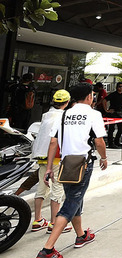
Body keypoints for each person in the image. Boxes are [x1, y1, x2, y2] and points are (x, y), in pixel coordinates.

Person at [34, 83, 108, 258]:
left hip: (66, 163)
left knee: (76, 198)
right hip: (83, 163)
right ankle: (47, 250)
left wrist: (50, 167)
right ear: (90, 97)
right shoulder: (93, 114)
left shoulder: (64, 114)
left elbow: (53, 142)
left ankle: (81, 235)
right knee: (71, 203)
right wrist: (104, 158)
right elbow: (98, 141)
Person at [29, 89, 72, 234]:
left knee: (41, 188)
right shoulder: (64, 116)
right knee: (57, 189)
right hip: (55, 157)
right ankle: (54, 223)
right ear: (67, 102)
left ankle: (38, 220)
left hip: (41, 156)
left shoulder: (46, 115)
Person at [104, 82, 122, 148]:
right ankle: (110, 143)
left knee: (121, 128)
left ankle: (117, 142)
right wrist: (106, 110)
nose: (121, 88)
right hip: (113, 112)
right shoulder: (113, 94)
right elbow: (104, 100)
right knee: (111, 128)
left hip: (120, 112)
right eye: (120, 86)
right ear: (117, 87)